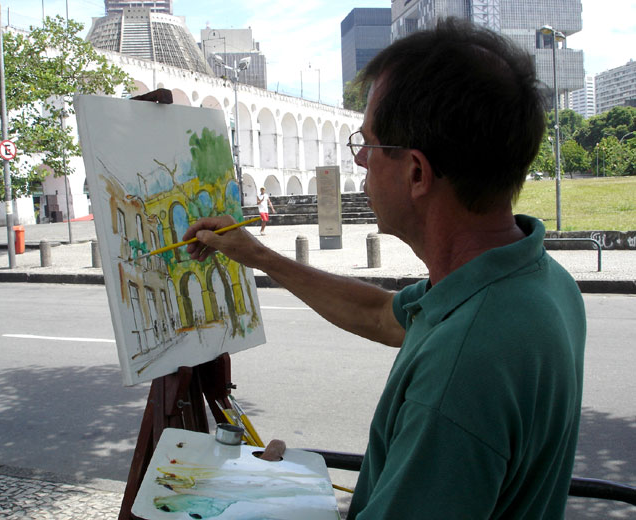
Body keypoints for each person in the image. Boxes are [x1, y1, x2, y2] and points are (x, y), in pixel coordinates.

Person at [183, 18, 586, 519]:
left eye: (369, 145)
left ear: (416, 172)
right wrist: (257, 255)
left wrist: (273, 500)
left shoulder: (462, 367)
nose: (360, 162)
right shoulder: (540, 281)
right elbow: (380, 315)